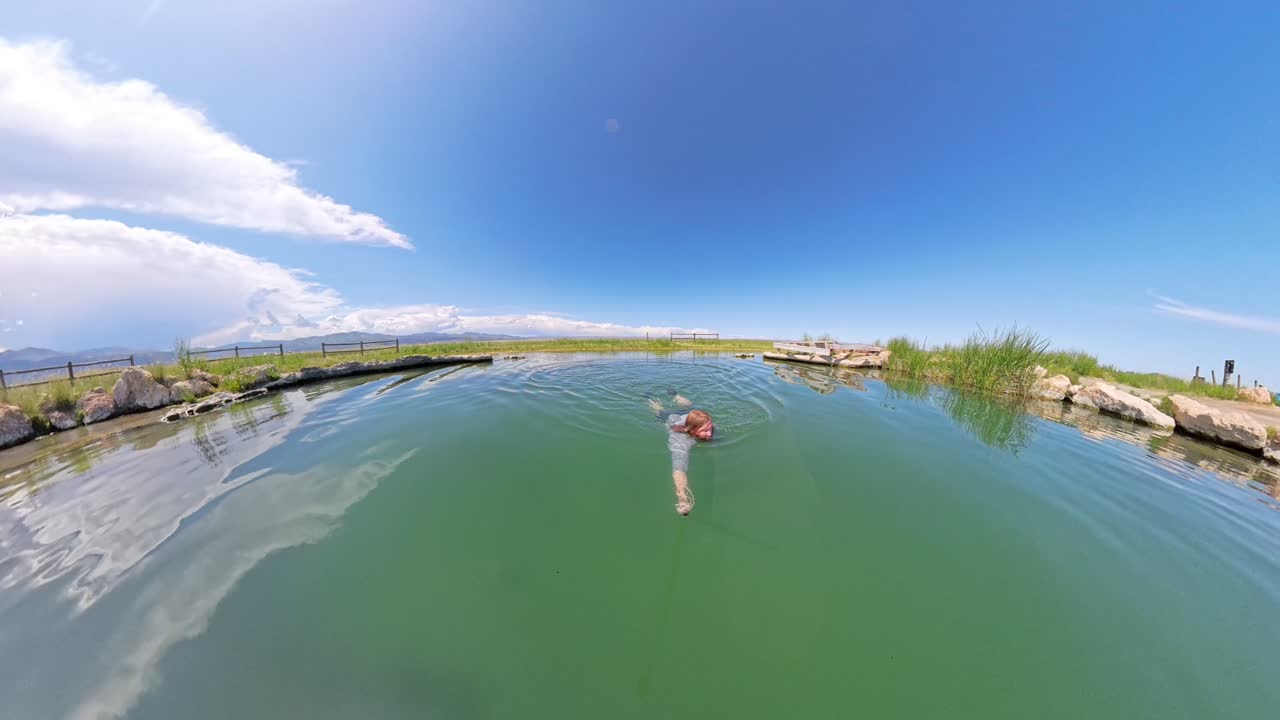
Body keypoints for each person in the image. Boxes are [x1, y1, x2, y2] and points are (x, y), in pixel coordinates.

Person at [648, 394, 714, 515]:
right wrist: (682, 497)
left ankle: (674, 394)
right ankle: (650, 397)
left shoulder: (703, 422)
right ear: (691, 430)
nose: (709, 433)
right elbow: (679, 469)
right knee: (659, 410)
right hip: (670, 418)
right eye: (705, 430)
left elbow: (705, 427)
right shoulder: (681, 441)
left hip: (690, 415)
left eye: (710, 428)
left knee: (689, 406)